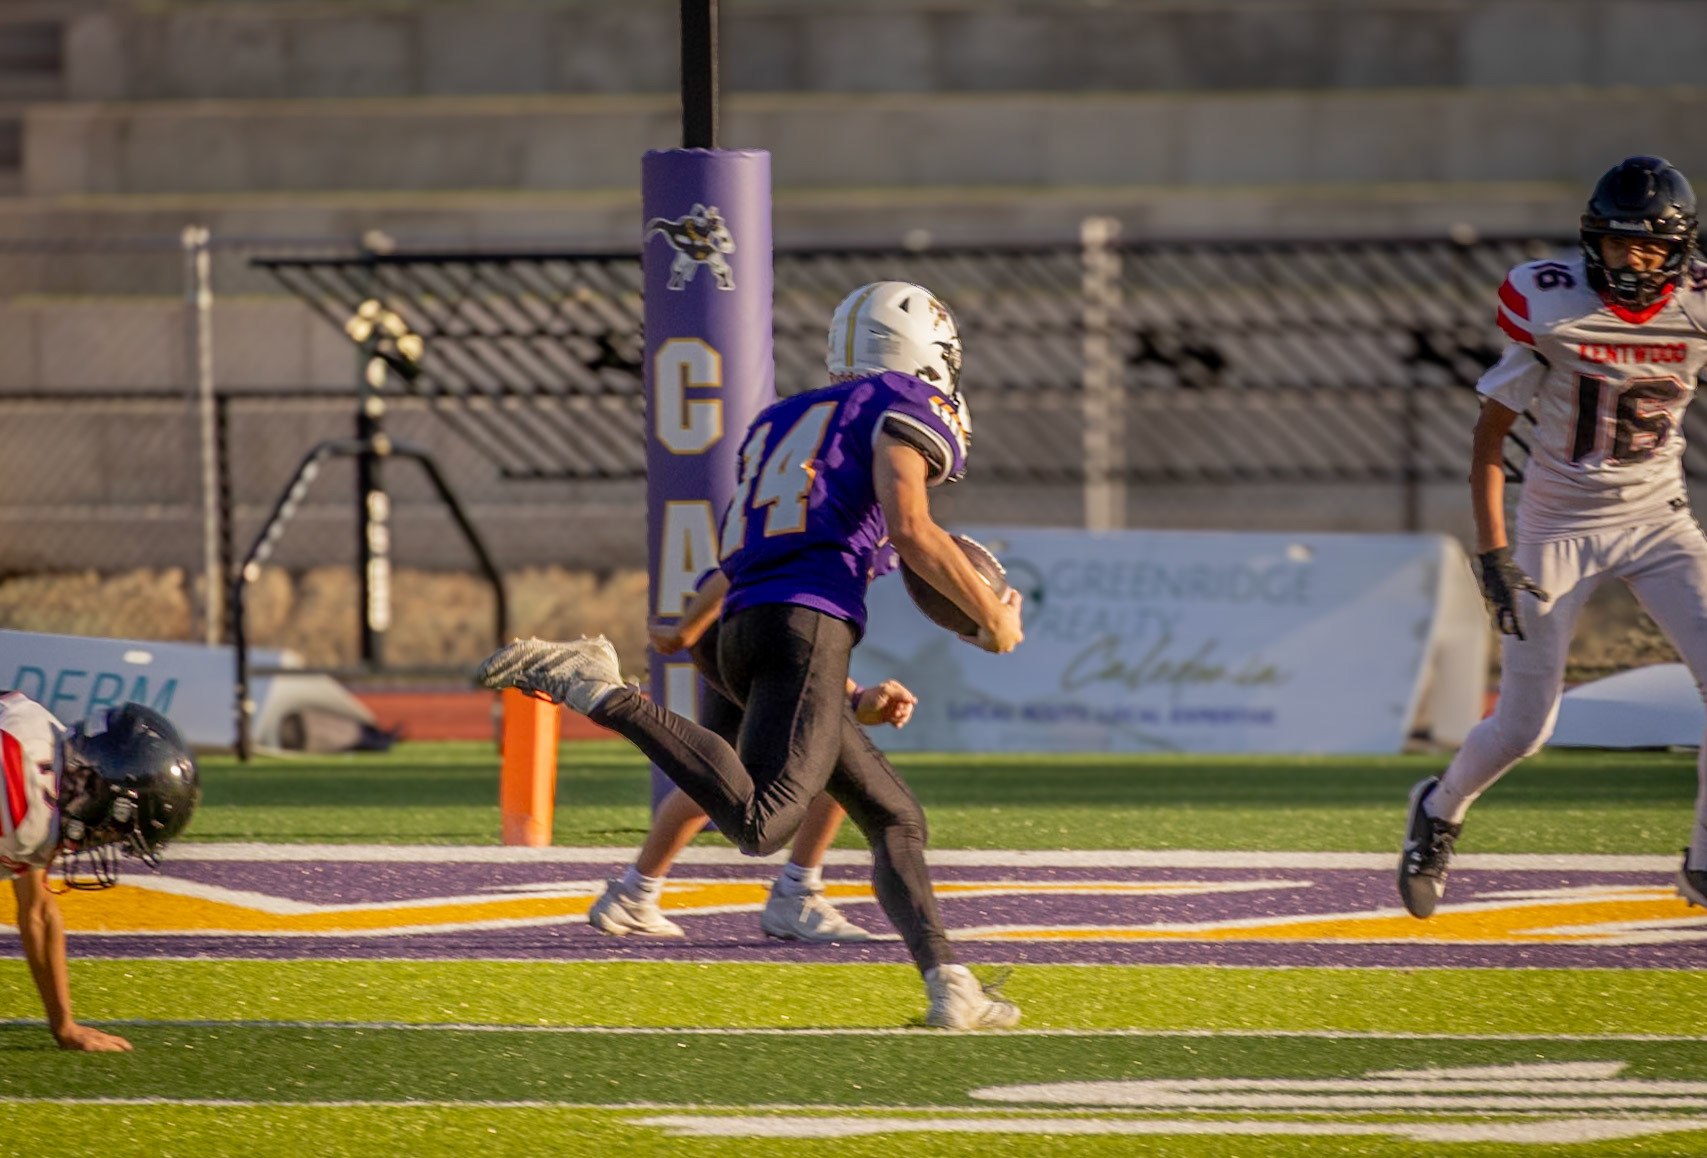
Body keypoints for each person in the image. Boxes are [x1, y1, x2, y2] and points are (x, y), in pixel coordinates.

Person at [479, 281, 1026, 1028]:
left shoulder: (783, 420)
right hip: (802, 626)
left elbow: (743, 561)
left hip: (741, 628)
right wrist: (993, 619)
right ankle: (602, 692)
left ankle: (950, 987)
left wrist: (691, 635)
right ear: (926, 352)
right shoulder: (902, 402)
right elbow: (910, 527)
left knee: (895, 816)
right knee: (763, 824)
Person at [1398, 155, 1707, 917]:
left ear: (1678, 252)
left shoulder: (1696, 306)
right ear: (1591, 241)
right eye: (1617, 244)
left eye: (1648, 248)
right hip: (1557, 524)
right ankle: (1438, 808)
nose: (1630, 262)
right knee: (1524, 726)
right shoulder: (1552, 303)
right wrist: (1493, 553)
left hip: (1658, 518)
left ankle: (1701, 863)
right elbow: (1488, 439)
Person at [585, 569, 918, 942]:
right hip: (754, 627)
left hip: (738, 623)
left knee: (719, 772)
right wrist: (853, 695)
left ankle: (635, 892)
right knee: (838, 755)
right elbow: (784, 602)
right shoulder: (868, 532)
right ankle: (795, 893)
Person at [1, 694, 200, 1049]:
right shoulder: (23, 813)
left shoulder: (45, 741)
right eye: (116, 828)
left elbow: (39, 911)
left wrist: (64, 1026)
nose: (105, 839)